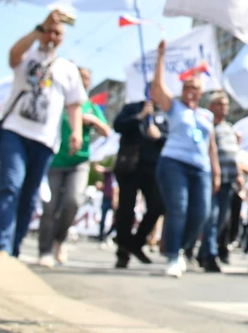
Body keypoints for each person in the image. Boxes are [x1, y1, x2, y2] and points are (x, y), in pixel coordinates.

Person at [0, 9, 87, 257]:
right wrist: (39, 29)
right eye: (49, 31)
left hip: (45, 140)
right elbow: (13, 55)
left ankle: (14, 247)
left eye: (58, 33)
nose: (52, 37)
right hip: (15, 131)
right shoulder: (28, 56)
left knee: (30, 195)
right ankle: (1, 245)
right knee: (10, 185)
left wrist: (76, 131)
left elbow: (74, 104)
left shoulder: (67, 69)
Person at [150, 39, 221, 279]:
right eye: (187, 86)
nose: (191, 90)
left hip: (201, 168)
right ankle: (172, 255)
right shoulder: (174, 108)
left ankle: (181, 249)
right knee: (178, 209)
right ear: (182, 89)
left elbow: (211, 146)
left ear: (201, 93)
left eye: (195, 87)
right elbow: (157, 88)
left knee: (201, 213)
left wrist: (216, 172)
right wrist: (161, 57)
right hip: (173, 163)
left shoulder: (207, 116)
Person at [38, 66, 112, 267]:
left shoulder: (91, 107)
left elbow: (107, 131)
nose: (82, 80)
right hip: (55, 160)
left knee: (73, 201)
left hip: (79, 162)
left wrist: (92, 120)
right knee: (50, 207)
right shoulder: (58, 100)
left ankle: (59, 240)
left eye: (86, 78)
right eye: (80, 76)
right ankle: (44, 250)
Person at [112, 99, 166, 268]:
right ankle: (123, 251)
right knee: (126, 209)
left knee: (158, 206)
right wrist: (140, 116)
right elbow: (118, 126)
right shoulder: (132, 107)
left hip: (153, 168)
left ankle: (136, 243)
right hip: (130, 166)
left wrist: (159, 136)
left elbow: (171, 139)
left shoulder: (165, 112)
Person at [198, 92, 241, 272]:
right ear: (211, 106)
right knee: (212, 217)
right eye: (220, 104)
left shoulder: (229, 128)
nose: (224, 107)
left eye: (226, 104)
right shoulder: (206, 126)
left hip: (228, 180)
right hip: (212, 179)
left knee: (222, 218)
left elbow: (235, 153)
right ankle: (210, 255)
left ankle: (203, 252)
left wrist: (239, 175)